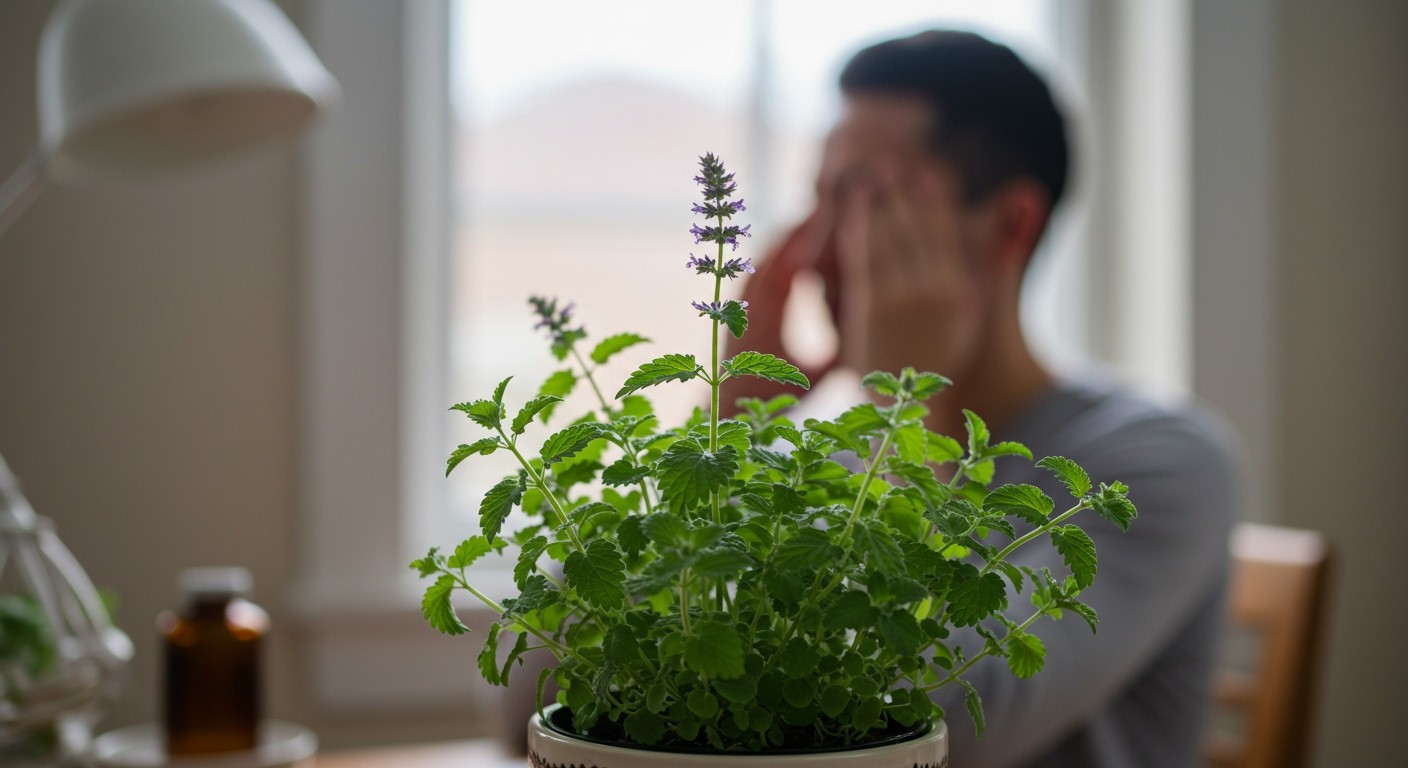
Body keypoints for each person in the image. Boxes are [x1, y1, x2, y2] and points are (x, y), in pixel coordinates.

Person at [726, 30, 1238, 768]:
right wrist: (733, 426)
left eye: (865, 199)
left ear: (1009, 225)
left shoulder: (1157, 465)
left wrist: (900, 414)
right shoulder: (842, 458)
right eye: (816, 204)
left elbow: (932, 731)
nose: (813, 254)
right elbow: (533, 705)